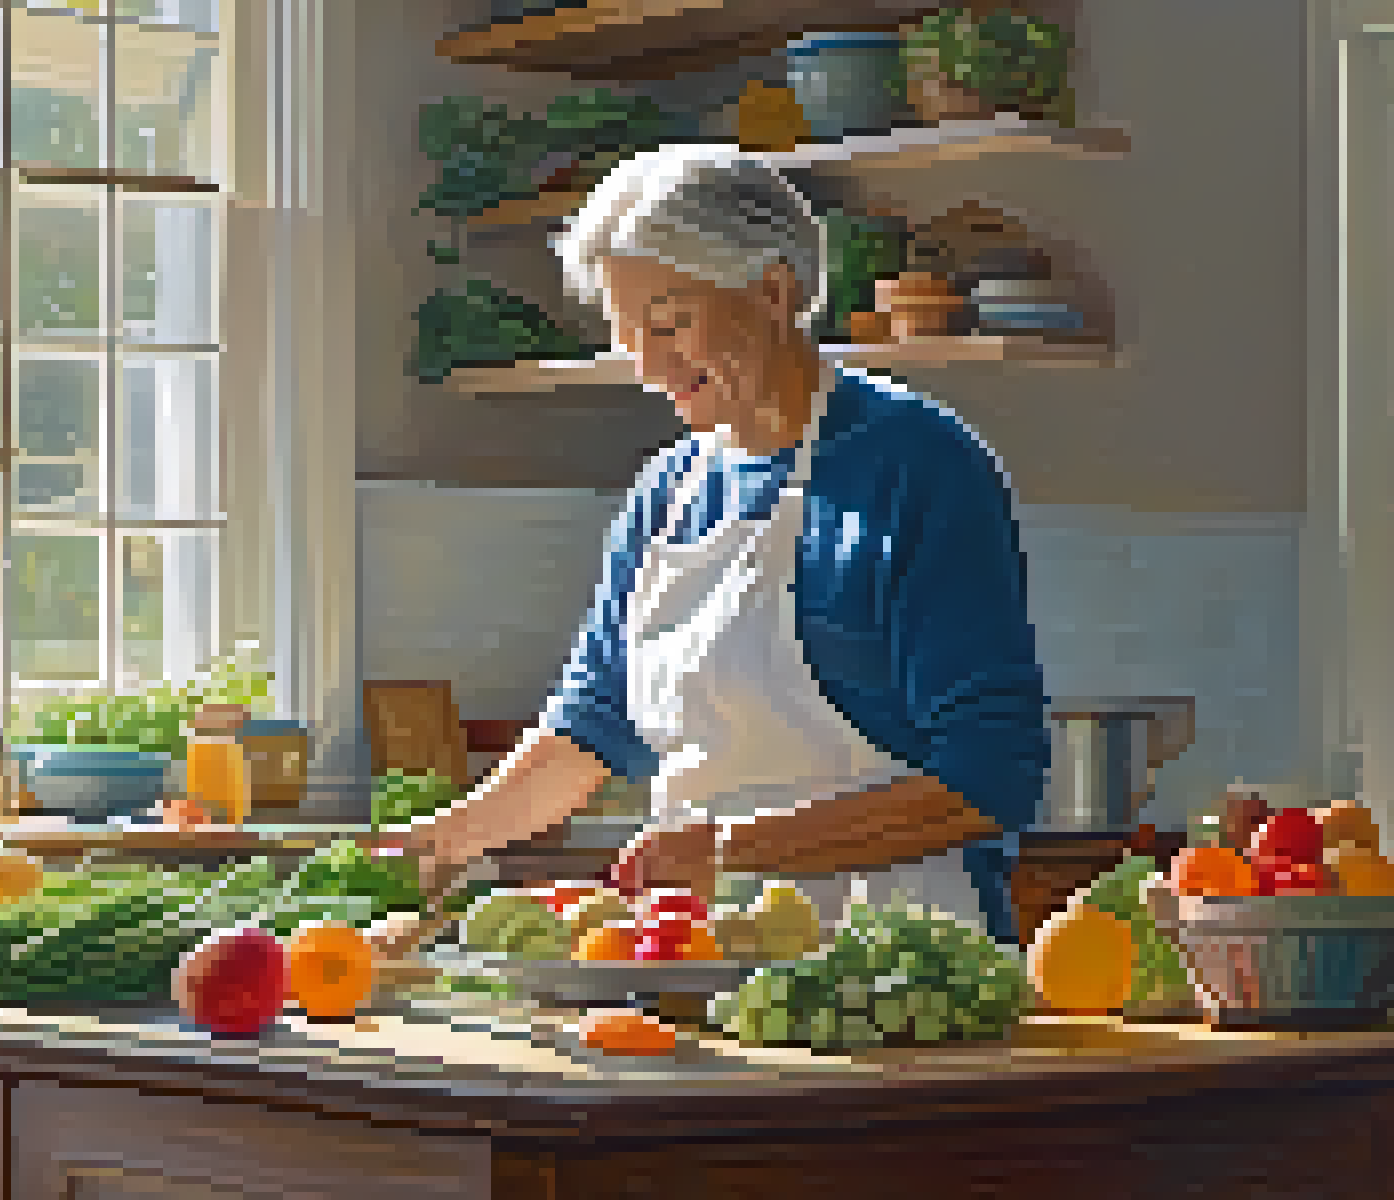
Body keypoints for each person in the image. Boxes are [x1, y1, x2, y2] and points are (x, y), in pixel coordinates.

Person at [398, 144, 1050, 943]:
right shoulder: (665, 493)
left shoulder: (918, 466)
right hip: (697, 958)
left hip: (896, 967)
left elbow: (991, 777)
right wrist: (442, 841)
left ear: (774, 292)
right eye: (627, 333)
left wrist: (732, 851)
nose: (648, 365)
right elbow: (594, 726)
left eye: (670, 323)